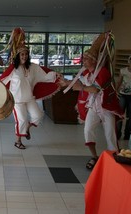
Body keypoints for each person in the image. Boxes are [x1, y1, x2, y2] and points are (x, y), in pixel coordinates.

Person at [59, 32, 123, 170]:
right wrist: (66, 83)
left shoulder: (103, 72)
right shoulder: (86, 72)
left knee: (110, 134)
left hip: (106, 108)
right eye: (84, 58)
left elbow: (96, 89)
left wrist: (80, 87)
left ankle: (115, 159)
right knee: (88, 130)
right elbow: (77, 82)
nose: (84, 60)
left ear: (94, 61)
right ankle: (94, 156)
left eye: (87, 58)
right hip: (93, 107)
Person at [0, 27, 60, 150]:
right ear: (18, 55)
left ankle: (27, 129)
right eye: (22, 54)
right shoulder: (13, 69)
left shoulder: (33, 68)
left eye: (26, 54)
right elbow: (2, 81)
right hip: (17, 100)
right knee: (21, 120)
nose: (25, 56)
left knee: (38, 115)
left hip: (29, 98)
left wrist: (56, 75)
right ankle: (18, 141)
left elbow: (45, 76)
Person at [116, 55, 131, 140]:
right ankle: (118, 133)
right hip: (122, 95)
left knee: (130, 116)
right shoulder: (123, 71)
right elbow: (119, 81)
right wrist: (116, 92)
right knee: (120, 114)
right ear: (128, 62)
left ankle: (127, 134)